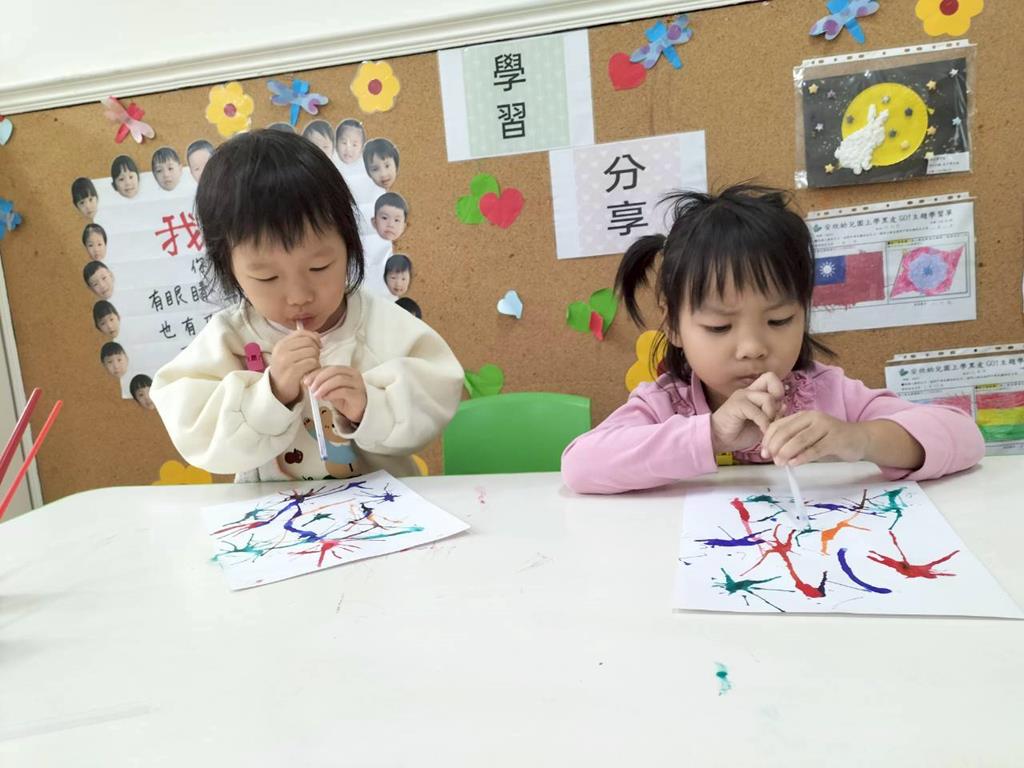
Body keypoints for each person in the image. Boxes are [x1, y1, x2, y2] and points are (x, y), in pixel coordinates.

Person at [561, 184, 985, 494]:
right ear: (673, 324)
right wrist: (712, 435)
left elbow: (965, 437)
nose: (753, 348)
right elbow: (580, 466)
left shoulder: (827, 394)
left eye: (779, 320)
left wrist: (860, 439)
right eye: (719, 327)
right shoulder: (665, 403)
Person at [150, 129, 462, 482]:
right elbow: (195, 429)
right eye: (267, 277)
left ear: (349, 246)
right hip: (271, 510)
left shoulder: (379, 323)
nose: (298, 296)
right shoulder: (230, 337)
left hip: (383, 507)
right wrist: (272, 394)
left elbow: (438, 392)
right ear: (230, 268)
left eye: (319, 267)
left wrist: (370, 406)